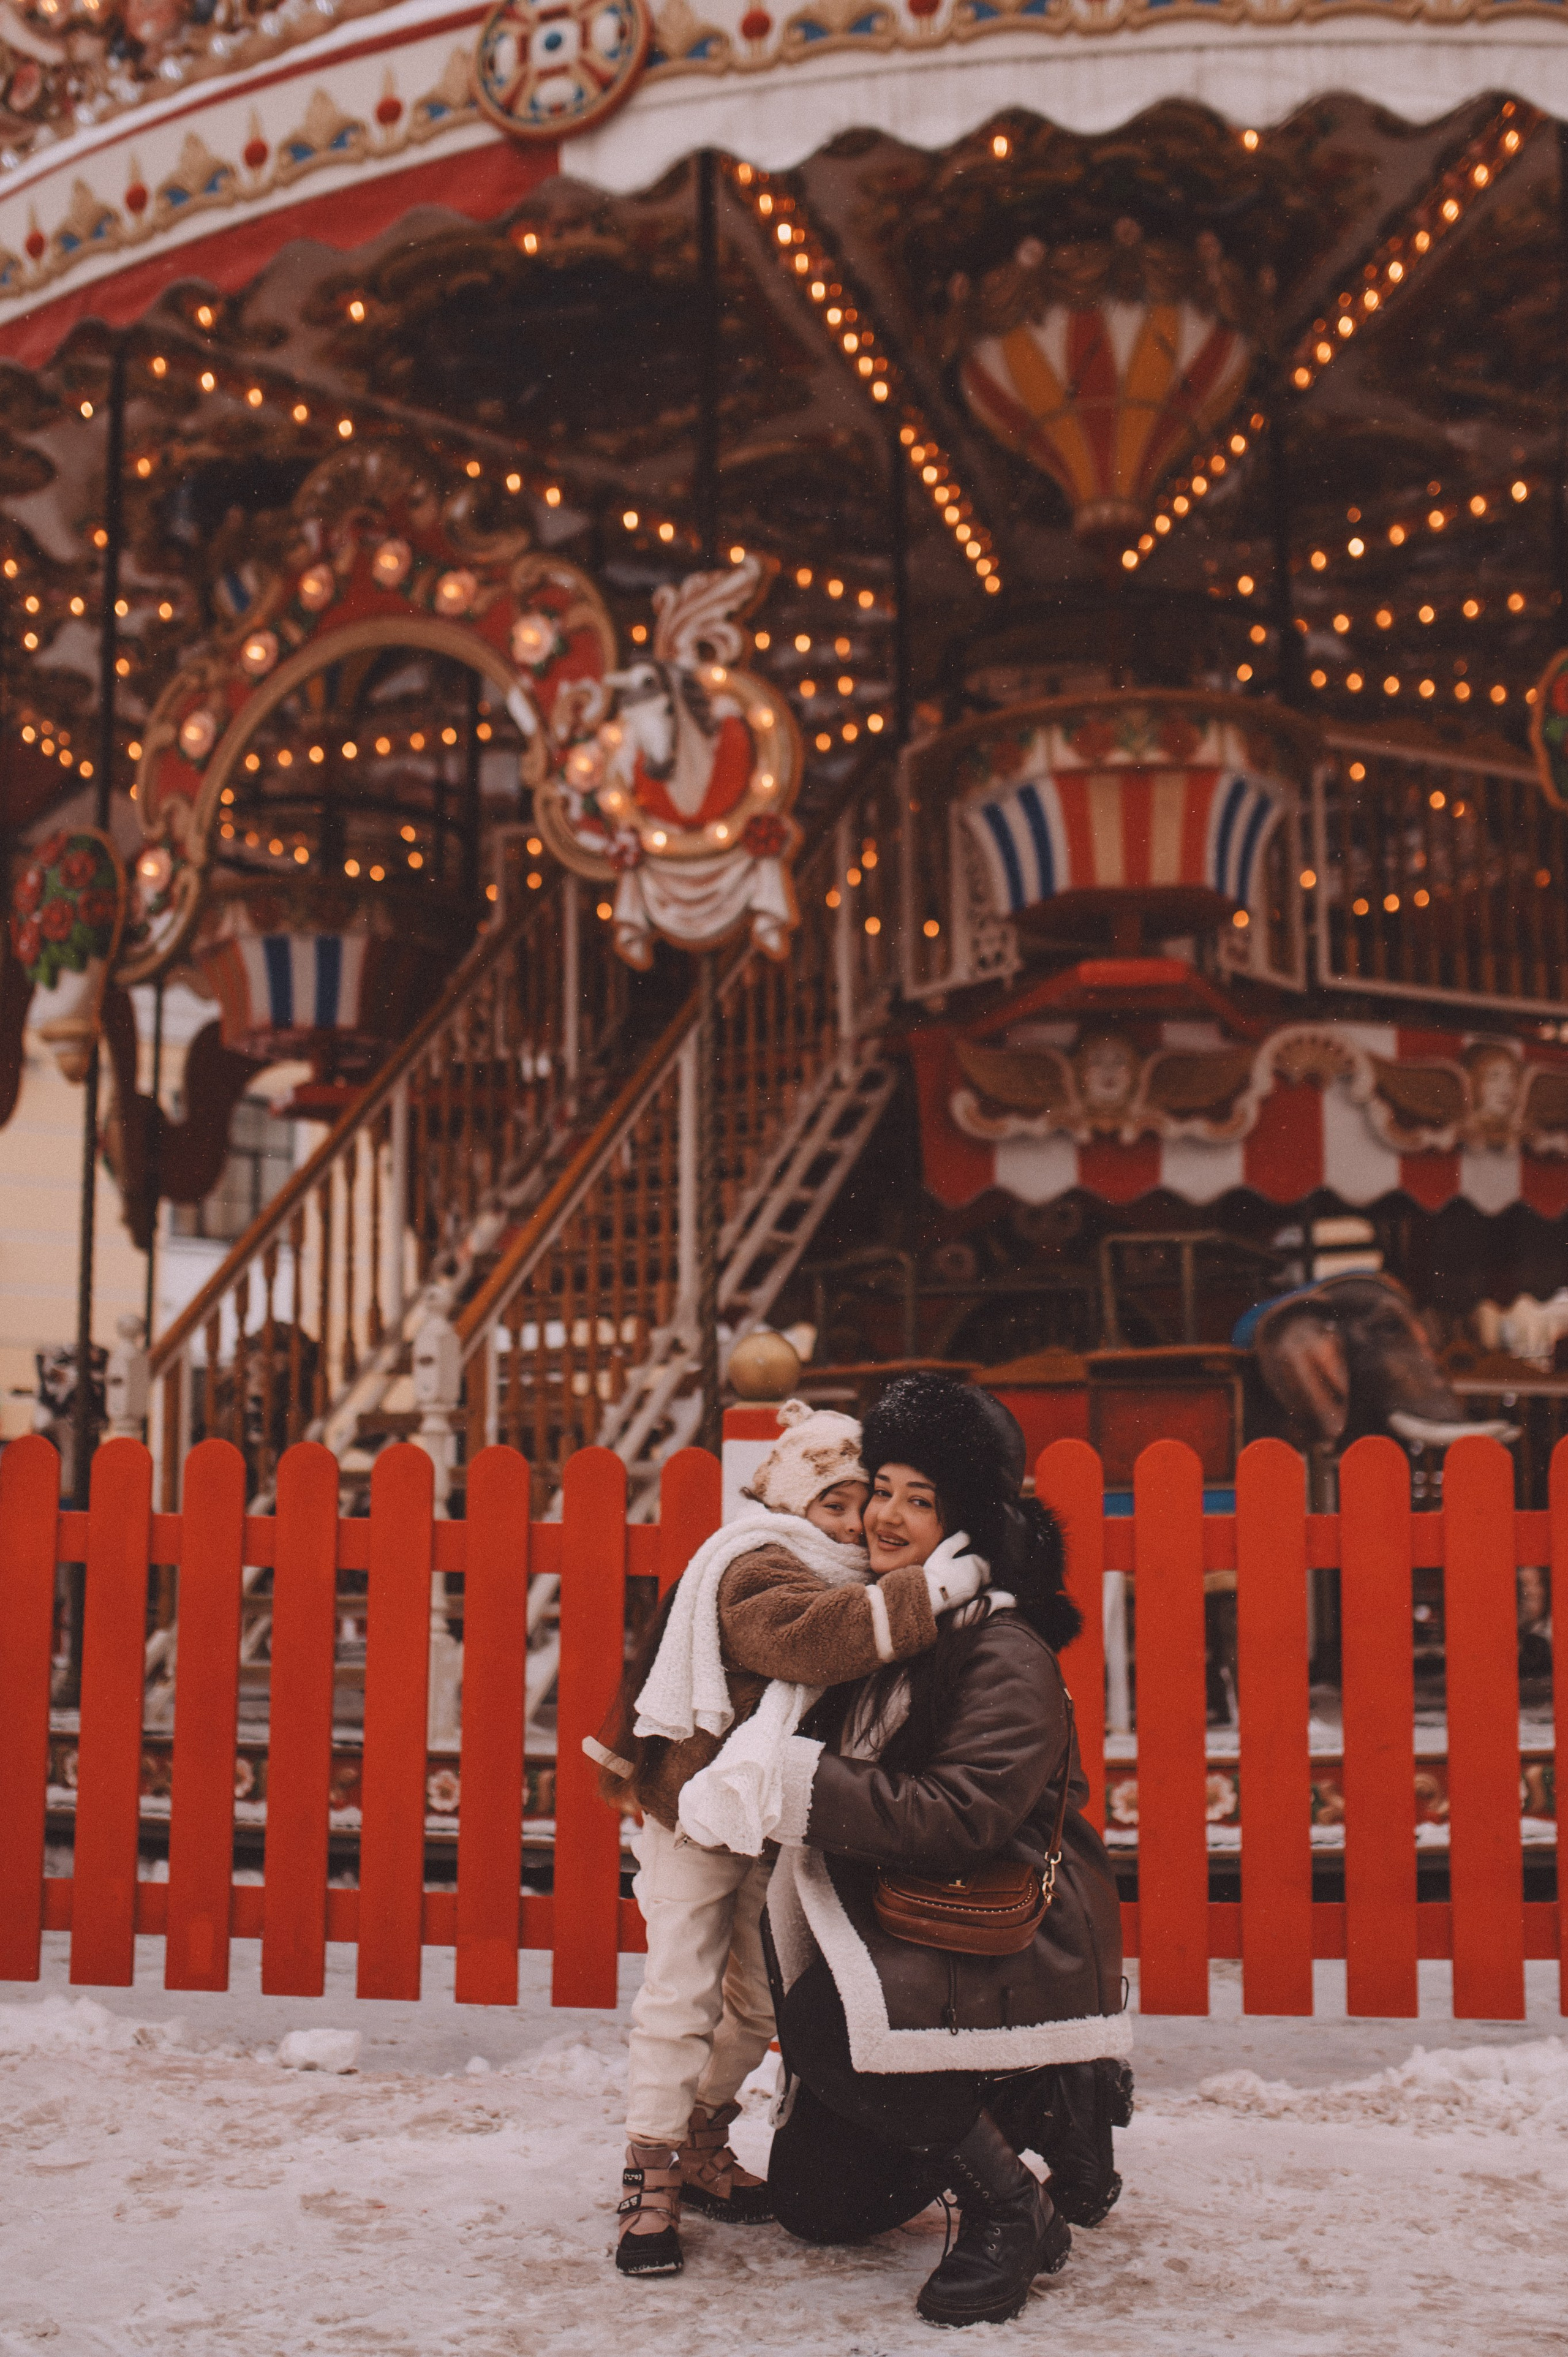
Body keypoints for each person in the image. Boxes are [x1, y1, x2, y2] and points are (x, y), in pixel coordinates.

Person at [761, 1371, 1131, 2331]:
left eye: (919, 1500)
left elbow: (962, 1817)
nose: (886, 1516)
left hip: (1007, 1926)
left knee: (825, 2020)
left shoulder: (1000, 1647)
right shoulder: (892, 1621)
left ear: (964, 1516)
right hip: (913, 1919)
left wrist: (791, 1783)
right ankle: (1030, 2105)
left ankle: (1011, 2205)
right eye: (881, 1488)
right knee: (820, 2207)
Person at [587, 1397, 987, 2277]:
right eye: (831, 1503)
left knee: (761, 2004)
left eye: (861, 1501)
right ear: (791, 1504)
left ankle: (700, 2134)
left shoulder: (848, 1573)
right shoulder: (756, 1565)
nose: (851, 1522)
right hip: (695, 1809)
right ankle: (650, 2171)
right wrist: (933, 1590)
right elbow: (811, 1643)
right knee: (680, 1993)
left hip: (770, 1818)